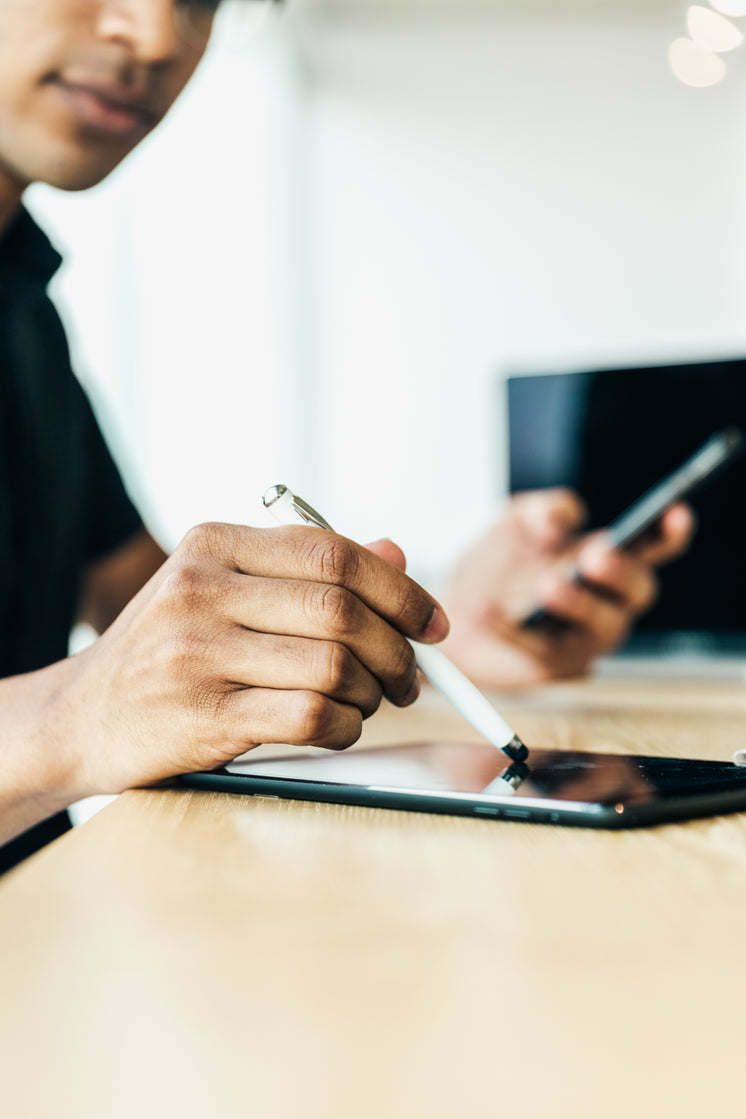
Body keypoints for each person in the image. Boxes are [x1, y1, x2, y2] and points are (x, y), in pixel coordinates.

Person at [0, 0, 691, 870]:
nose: (160, 38)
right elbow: (109, 683)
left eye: (203, 2)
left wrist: (445, 632)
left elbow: (140, 613)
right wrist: (75, 718)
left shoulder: (26, 317)